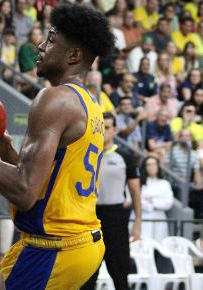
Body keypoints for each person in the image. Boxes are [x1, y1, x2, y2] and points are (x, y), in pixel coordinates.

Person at [0, 4, 115, 289]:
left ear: (74, 55)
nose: (41, 45)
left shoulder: (54, 99)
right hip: (76, 242)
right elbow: (45, 181)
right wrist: (5, 151)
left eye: (51, 40)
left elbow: (24, 192)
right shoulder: (90, 104)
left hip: (55, 246)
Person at [81, 113, 142, 290]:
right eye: (101, 127)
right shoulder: (87, 155)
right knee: (87, 275)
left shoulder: (125, 156)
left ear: (115, 130)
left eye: (107, 128)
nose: (104, 131)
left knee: (120, 273)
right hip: (90, 218)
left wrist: (138, 222)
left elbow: (135, 191)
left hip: (116, 218)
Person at [139, 156, 174, 241]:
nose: (152, 167)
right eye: (149, 165)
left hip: (159, 218)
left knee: (159, 245)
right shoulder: (139, 183)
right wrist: (154, 202)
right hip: (143, 218)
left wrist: (153, 201)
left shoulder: (164, 183)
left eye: (154, 164)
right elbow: (138, 200)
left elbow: (168, 202)